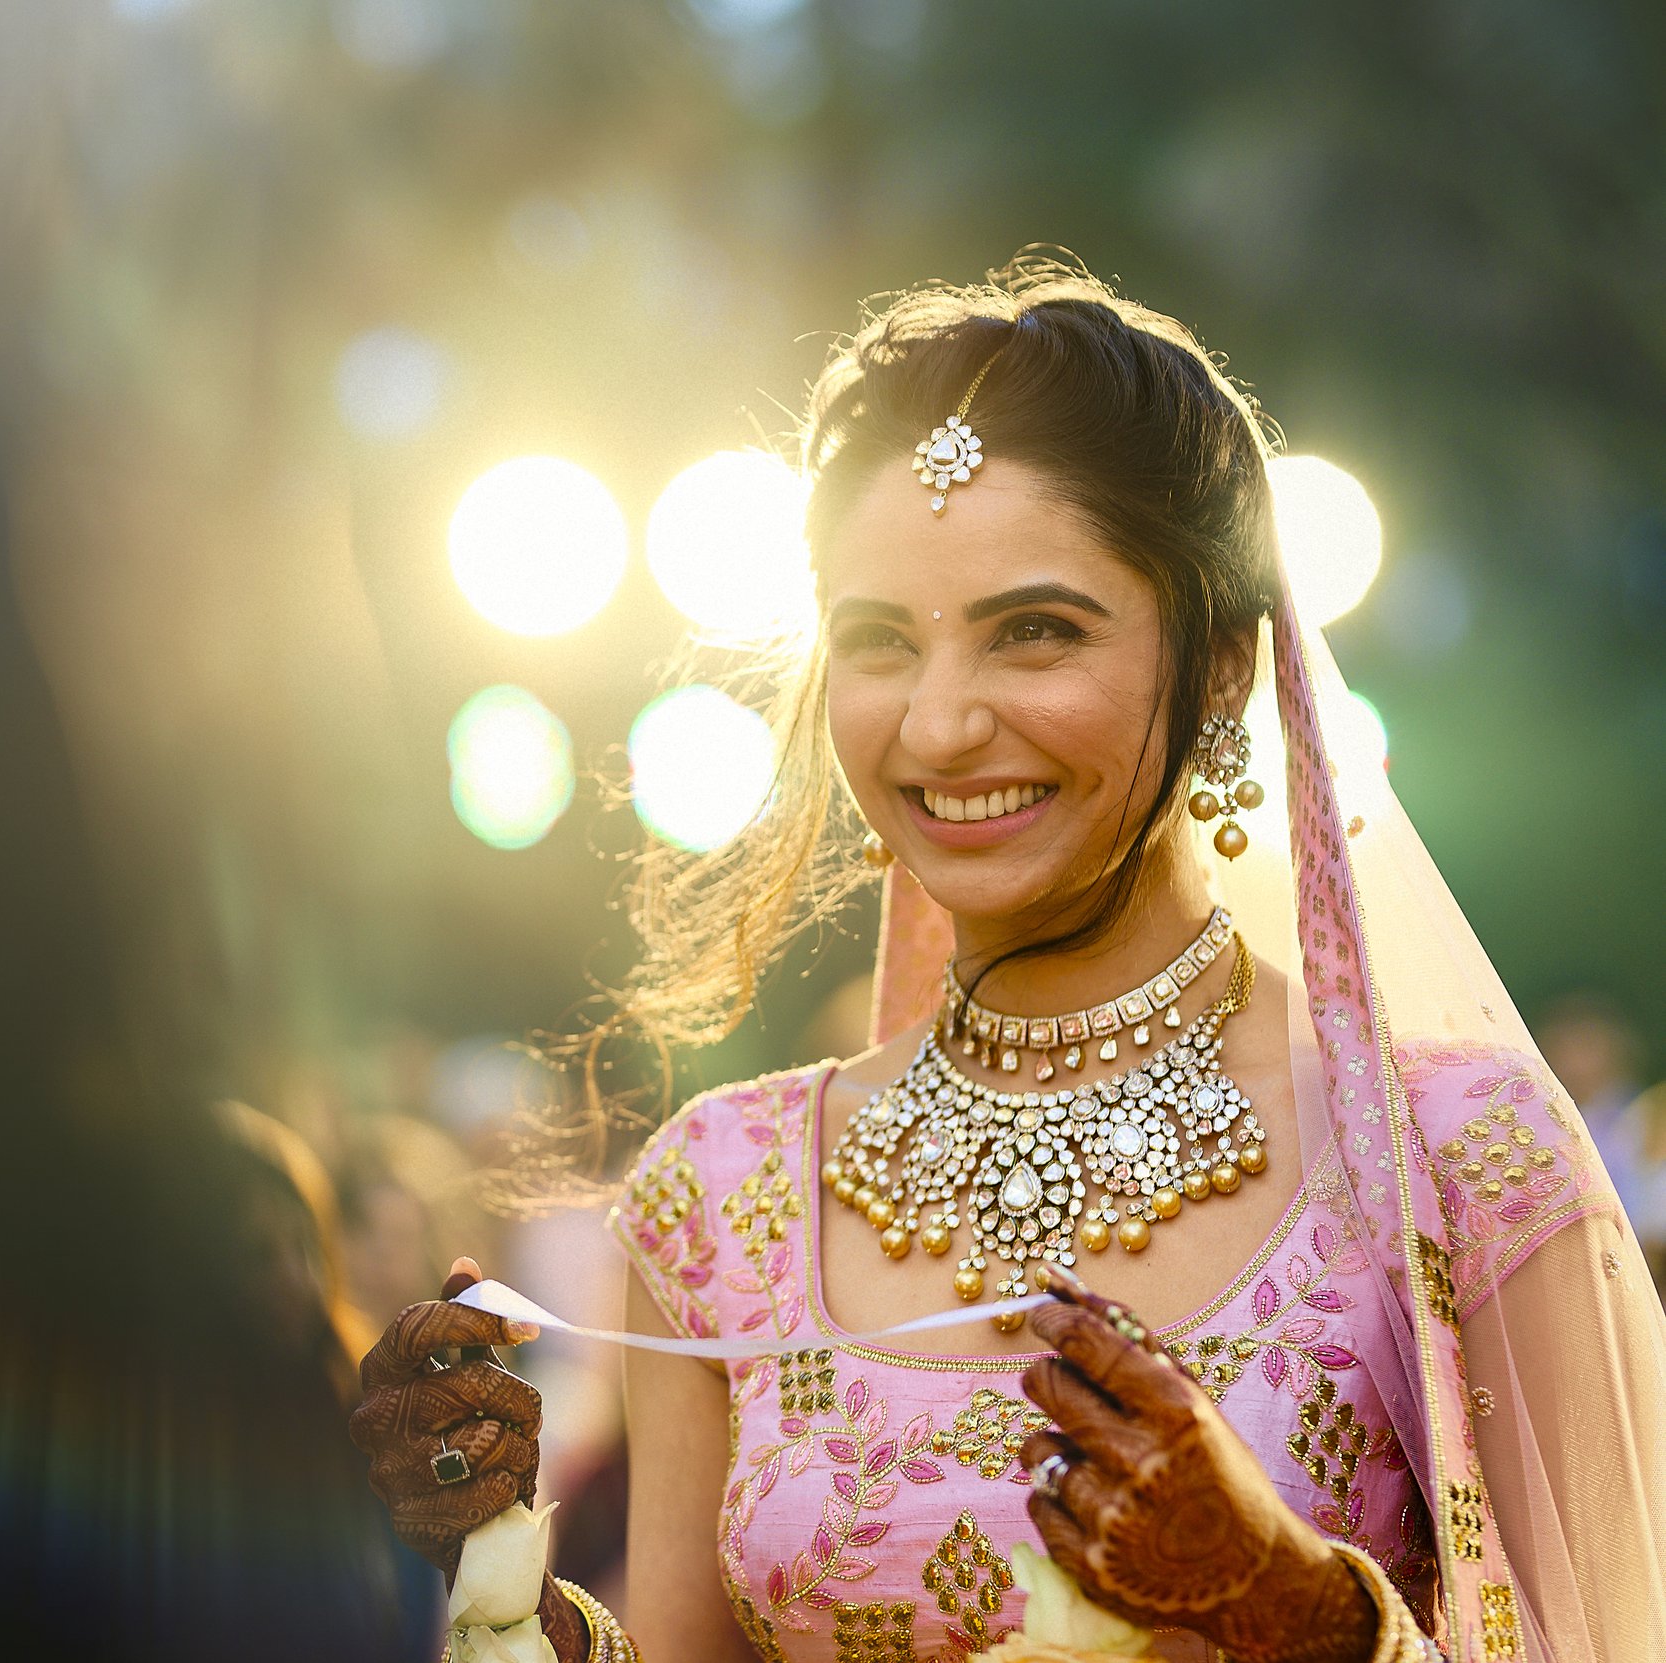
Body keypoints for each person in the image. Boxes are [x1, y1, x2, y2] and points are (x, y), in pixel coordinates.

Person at [350, 255, 1666, 1662]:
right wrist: (499, 1584)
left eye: (1034, 631)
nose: (938, 725)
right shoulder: (719, 1199)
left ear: (1223, 663)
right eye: (877, 641)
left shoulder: (1455, 1160)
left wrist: (1299, 1610)